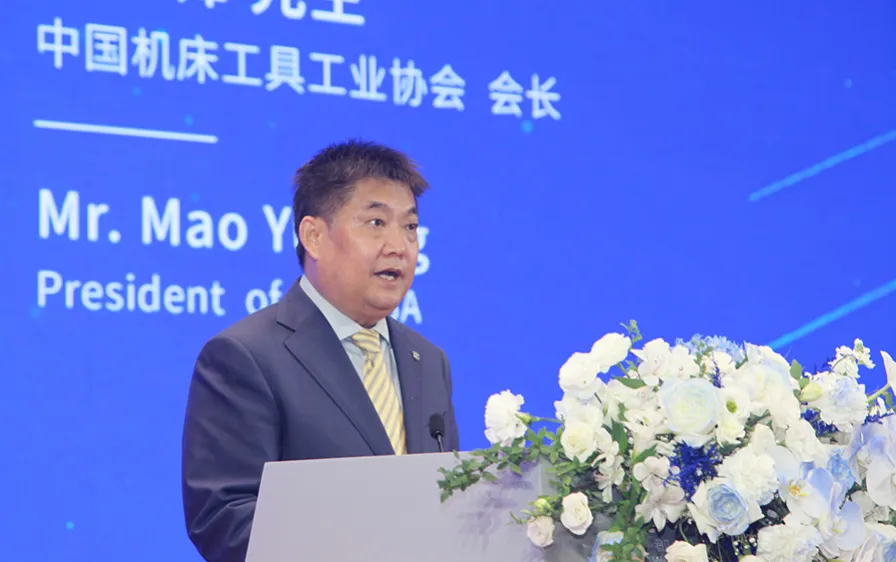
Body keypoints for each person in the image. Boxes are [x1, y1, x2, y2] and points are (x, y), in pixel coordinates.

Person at [181, 140, 460, 562]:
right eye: (376, 222)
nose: (400, 246)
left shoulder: (427, 360)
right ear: (313, 235)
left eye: (410, 227)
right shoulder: (246, 356)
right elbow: (225, 519)